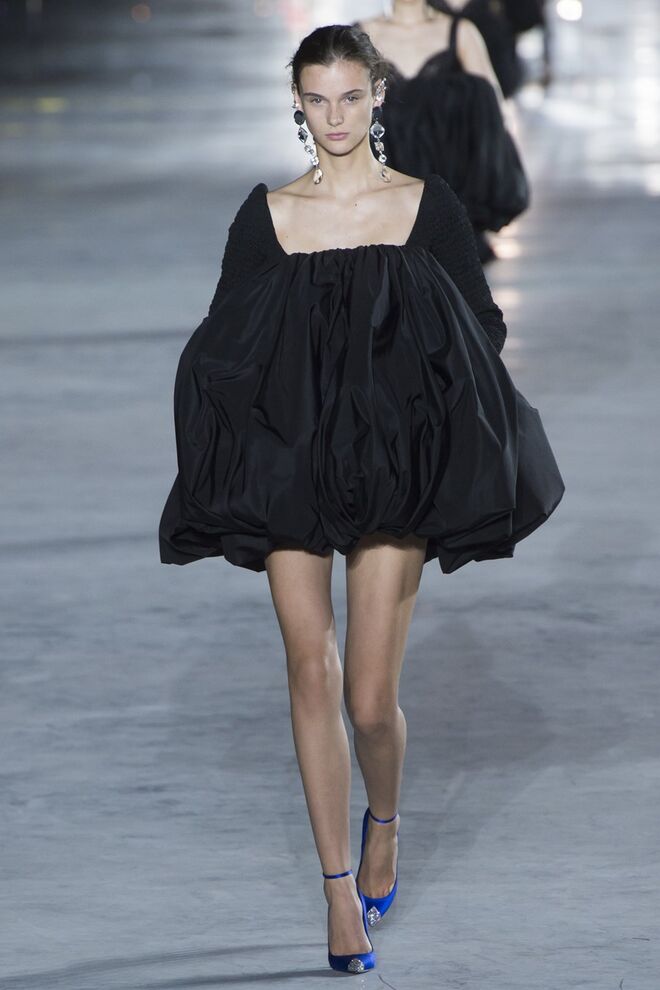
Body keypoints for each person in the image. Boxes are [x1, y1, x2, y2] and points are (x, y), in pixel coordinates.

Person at [158, 24, 564, 974]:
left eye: (350, 97)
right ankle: (338, 896)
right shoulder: (266, 217)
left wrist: (416, 412)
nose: (334, 117)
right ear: (297, 104)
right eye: (317, 99)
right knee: (311, 671)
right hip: (292, 464)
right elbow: (227, 341)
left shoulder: (425, 207)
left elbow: (481, 329)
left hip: (393, 468)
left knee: (370, 699)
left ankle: (385, 821)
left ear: (377, 96)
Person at [355, 1, 529, 263]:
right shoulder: (359, 37)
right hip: (383, 202)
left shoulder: (461, 33)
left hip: (451, 200)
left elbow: (491, 116)